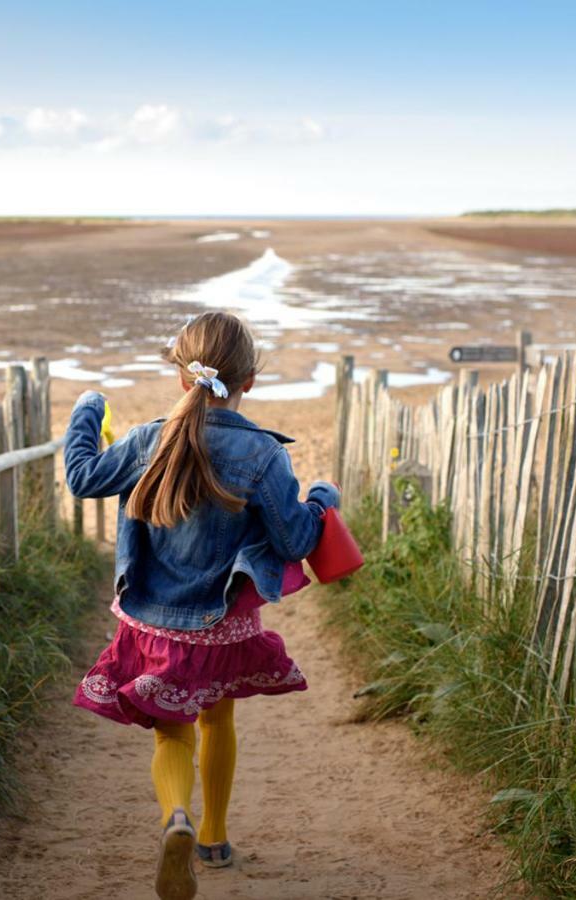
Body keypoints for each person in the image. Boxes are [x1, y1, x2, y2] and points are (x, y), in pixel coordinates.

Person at [65, 311, 339, 900]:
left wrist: (89, 407)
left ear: (181, 378)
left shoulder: (147, 439)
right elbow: (295, 541)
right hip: (225, 627)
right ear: (251, 381)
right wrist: (321, 499)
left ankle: (176, 820)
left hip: (153, 621)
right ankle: (214, 838)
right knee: (218, 716)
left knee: (171, 733)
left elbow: (83, 477)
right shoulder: (263, 455)